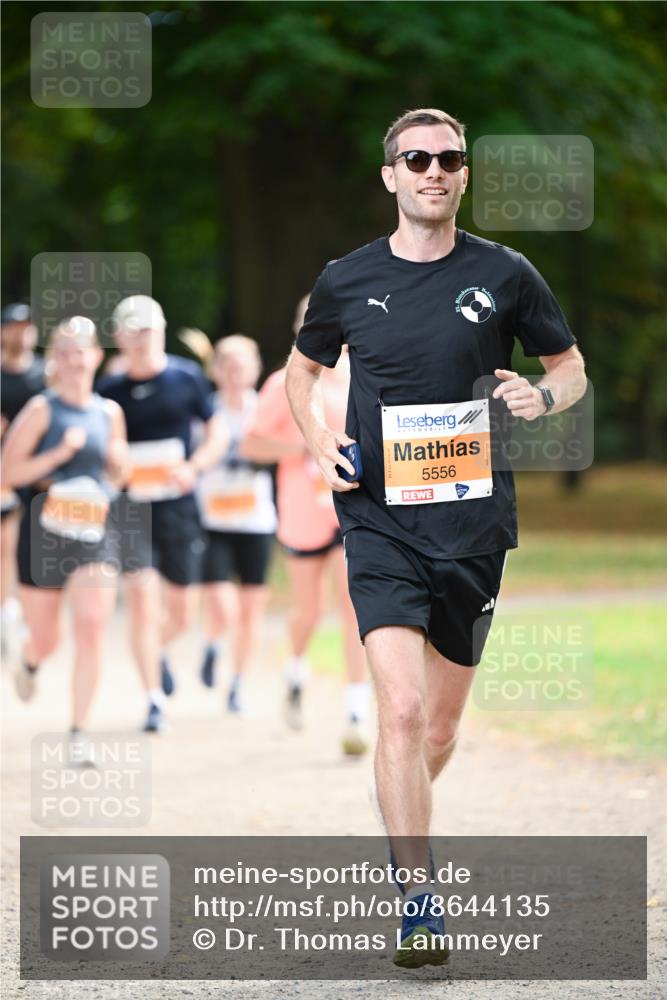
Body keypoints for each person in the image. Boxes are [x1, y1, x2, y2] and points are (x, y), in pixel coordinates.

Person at [285, 108, 587, 966]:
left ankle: (399, 809)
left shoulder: (506, 272)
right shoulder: (346, 279)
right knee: (403, 709)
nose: (432, 170)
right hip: (377, 516)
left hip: (473, 523)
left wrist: (544, 395)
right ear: (389, 175)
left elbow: (567, 367)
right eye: (415, 158)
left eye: (448, 158)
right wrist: (318, 441)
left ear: (463, 174)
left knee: (440, 732)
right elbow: (300, 370)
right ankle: (417, 898)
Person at [242, 295, 371, 756]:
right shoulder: (284, 383)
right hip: (301, 511)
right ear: (299, 331)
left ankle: (357, 709)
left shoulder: (364, 374)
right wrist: (304, 446)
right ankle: (295, 668)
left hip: (351, 508)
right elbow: (252, 445)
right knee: (308, 610)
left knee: (353, 603)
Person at [97, 295, 227, 733]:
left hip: (178, 507)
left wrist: (194, 467)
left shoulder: (186, 378)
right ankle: (153, 700)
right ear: (118, 337)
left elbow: (216, 434)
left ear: (161, 330)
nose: (141, 338)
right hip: (130, 509)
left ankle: (158, 651)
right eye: (132, 331)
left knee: (182, 612)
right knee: (140, 599)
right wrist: (113, 467)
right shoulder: (108, 392)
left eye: (148, 329)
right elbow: (100, 449)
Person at [2, 317, 127, 758]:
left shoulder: (109, 413)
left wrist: (118, 462)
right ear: (54, 358)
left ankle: (79, 733)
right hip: (44, 532)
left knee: (93, 626)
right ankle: (30, 659)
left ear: (96, 356)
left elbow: (121, 472)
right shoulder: (41, 409)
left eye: (82, 350)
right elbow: (8, 472)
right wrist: (59, 454)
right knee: (48, 638)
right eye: (66, 351)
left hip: (93, 530)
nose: (75, 359)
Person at [197, 334, 277, 712]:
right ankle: (214, 643)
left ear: (255, 370)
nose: (234, 373)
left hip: (256, 522)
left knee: (251, 611)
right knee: (222, 606)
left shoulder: (265, 409)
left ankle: (238, 683)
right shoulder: (203, 410)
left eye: (241, 365)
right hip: (211, 520)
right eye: (226, 365)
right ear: (215, 370)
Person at [0, 304, 46, 648]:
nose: (21, 332)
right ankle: (5, 615)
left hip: (39, 475)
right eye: (14, 326)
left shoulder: (47, 375)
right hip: (3, 474)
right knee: (5, 545)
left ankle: (31, 622)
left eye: (27, 326)